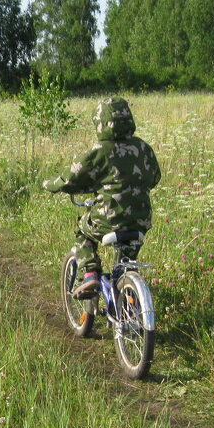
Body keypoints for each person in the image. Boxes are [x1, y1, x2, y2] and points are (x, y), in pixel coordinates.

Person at [42, 97, 161, 298]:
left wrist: (50, 185)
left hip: (108, 220)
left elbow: (70, 179)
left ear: (100, 122)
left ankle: (90, 274)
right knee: (125, 265)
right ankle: (128, 297)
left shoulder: (99, 152)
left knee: (82, 230)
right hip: (140, 219)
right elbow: (155, 177)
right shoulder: (143, 148)